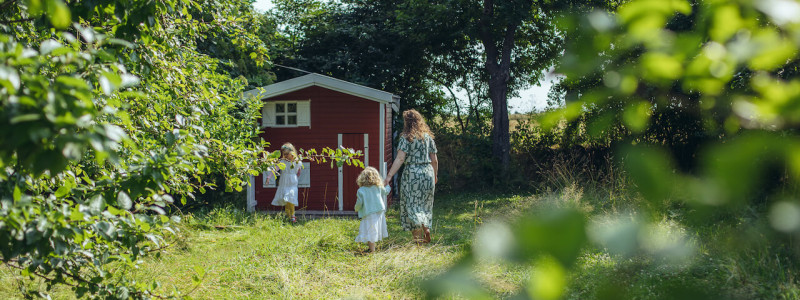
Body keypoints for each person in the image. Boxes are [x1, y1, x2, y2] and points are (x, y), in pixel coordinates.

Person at [384, 109, 438, 244]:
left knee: (411, 206)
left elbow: (400, 159)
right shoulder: (428, 138)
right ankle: (426, 227)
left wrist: (389, 176)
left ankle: (417, 240)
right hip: (427, 173)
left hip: (412, 174)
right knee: (425, 205)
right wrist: (435, 175)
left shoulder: (406, 138)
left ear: (406, 122)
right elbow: (435, 160)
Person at [354, 167, 390, 253]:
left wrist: (356, 209)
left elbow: (359, 203)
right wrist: (388, 185)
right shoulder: (378, 187)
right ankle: (373, 248)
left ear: (362, 178)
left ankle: (372, 250)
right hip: (379, 211)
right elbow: (386, 192)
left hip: (369, 213)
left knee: (370, 231)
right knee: (375, 229)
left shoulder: (361, 190)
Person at [270, 143, 302, 223]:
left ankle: (293, 216)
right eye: (285, 154)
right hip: (284, 182)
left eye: (288, 154)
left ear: (292, 153)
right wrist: (269, 176)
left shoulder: (297, 162)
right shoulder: (282, 161)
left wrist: (295, 177)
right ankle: (288, 215)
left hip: (292, 183)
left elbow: (298, 172)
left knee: (291, 198)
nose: (286, 155)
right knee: (286, 199)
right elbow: (275, 169)